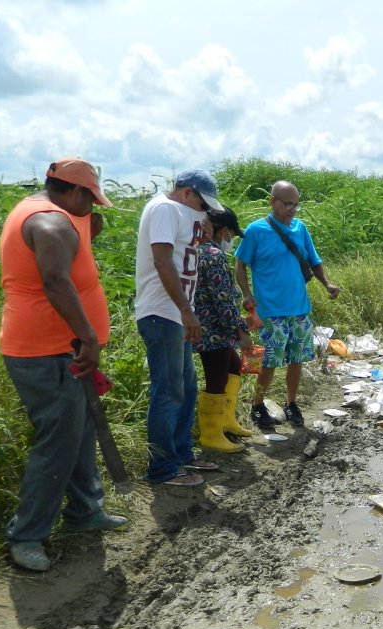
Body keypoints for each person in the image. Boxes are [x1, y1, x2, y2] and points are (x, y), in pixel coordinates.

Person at [0, 157, 126, 572]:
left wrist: (89, 225)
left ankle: (85, 511)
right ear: (75, 193)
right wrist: (89, 337)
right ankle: (27, 535)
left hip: (62, 349)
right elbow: (55, 279)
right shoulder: (50, 224)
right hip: (48, 351)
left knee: (79, 430)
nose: (94, 211)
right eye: (92, 201)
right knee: (57, 442)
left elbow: (84, 228)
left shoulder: (50, 211)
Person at [135, 169, 225, 486]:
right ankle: (161, 469)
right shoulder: (164, 208)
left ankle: (182, 455)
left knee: (185, 387)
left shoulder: (183, 215)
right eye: (202, 203)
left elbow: (184, 251)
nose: (204, 210)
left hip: (177, 315)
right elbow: (162, 261)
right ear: (187, 193)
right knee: (168, 391)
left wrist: (205, 231)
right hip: (163, 313)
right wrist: (187, 311)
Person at [234, 180, 340, 429]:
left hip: (299, 309)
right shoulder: (256, 230)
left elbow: (314, 261)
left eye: (296, 205)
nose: (293, 209)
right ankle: (257, 406)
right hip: (270, 310)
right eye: (287, 204)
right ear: (273, 202)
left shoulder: (300, 228)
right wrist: (247, 293)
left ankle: (291, 404)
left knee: (297, 358)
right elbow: (240, 263)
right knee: (268, 360)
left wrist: (327, 284)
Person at [193, 207, 252, 451]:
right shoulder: (214, 255)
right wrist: (242, 331)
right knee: (216, 379)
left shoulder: (198, 252)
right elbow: (223, 300)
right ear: (223, 230)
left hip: (210, 325)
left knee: (234, 367)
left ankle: (226, 420)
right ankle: (211, 434)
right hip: (213, 330)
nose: (231, 239)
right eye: (231, 233)